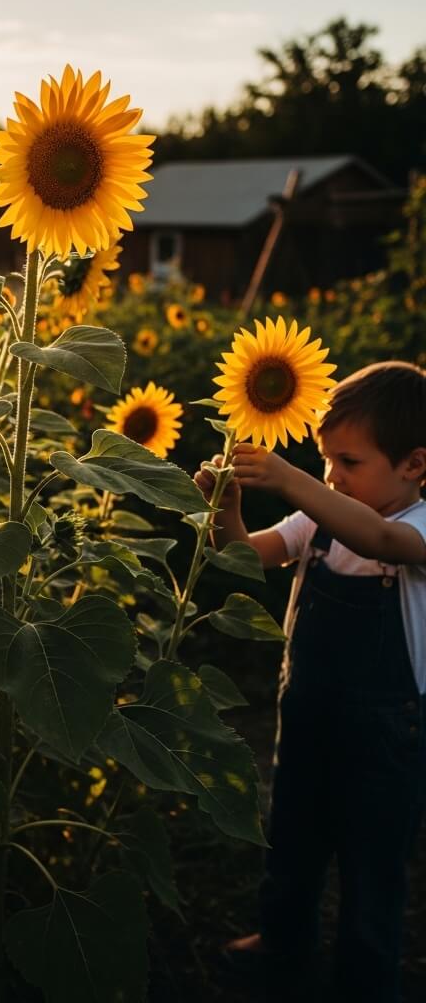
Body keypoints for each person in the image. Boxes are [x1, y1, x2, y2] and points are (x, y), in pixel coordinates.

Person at [193, 360, 426, 1002]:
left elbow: (378, 538)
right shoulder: (320, 520)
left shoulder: (415, 529)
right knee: (291, 836)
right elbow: (242, 555)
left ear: (415, 465)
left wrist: (291, 478)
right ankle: (284, 937)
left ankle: (366, 976)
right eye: (325, 461)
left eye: (348, 463)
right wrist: (227, 510)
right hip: (308, 714)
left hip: (386, 739)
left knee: (371, 866)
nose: (332, 477)